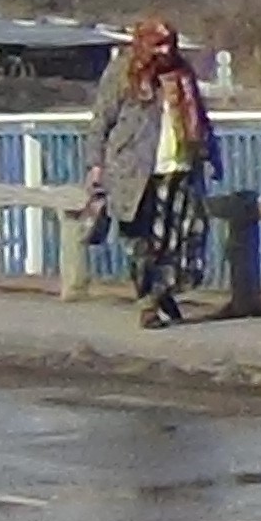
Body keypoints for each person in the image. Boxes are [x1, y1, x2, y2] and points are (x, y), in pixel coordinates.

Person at [87, 21, 218, 328]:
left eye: (170, 44)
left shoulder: (182, 72)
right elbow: (100, 120)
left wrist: (211, 154)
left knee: (183, 237)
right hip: (136, 171)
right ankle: (148, 304)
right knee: (141, 241)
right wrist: (95, 164)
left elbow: (200, 115)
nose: (166, 51)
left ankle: (164, 290)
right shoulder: (123, 73)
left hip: (181, 166)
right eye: (158, 45)